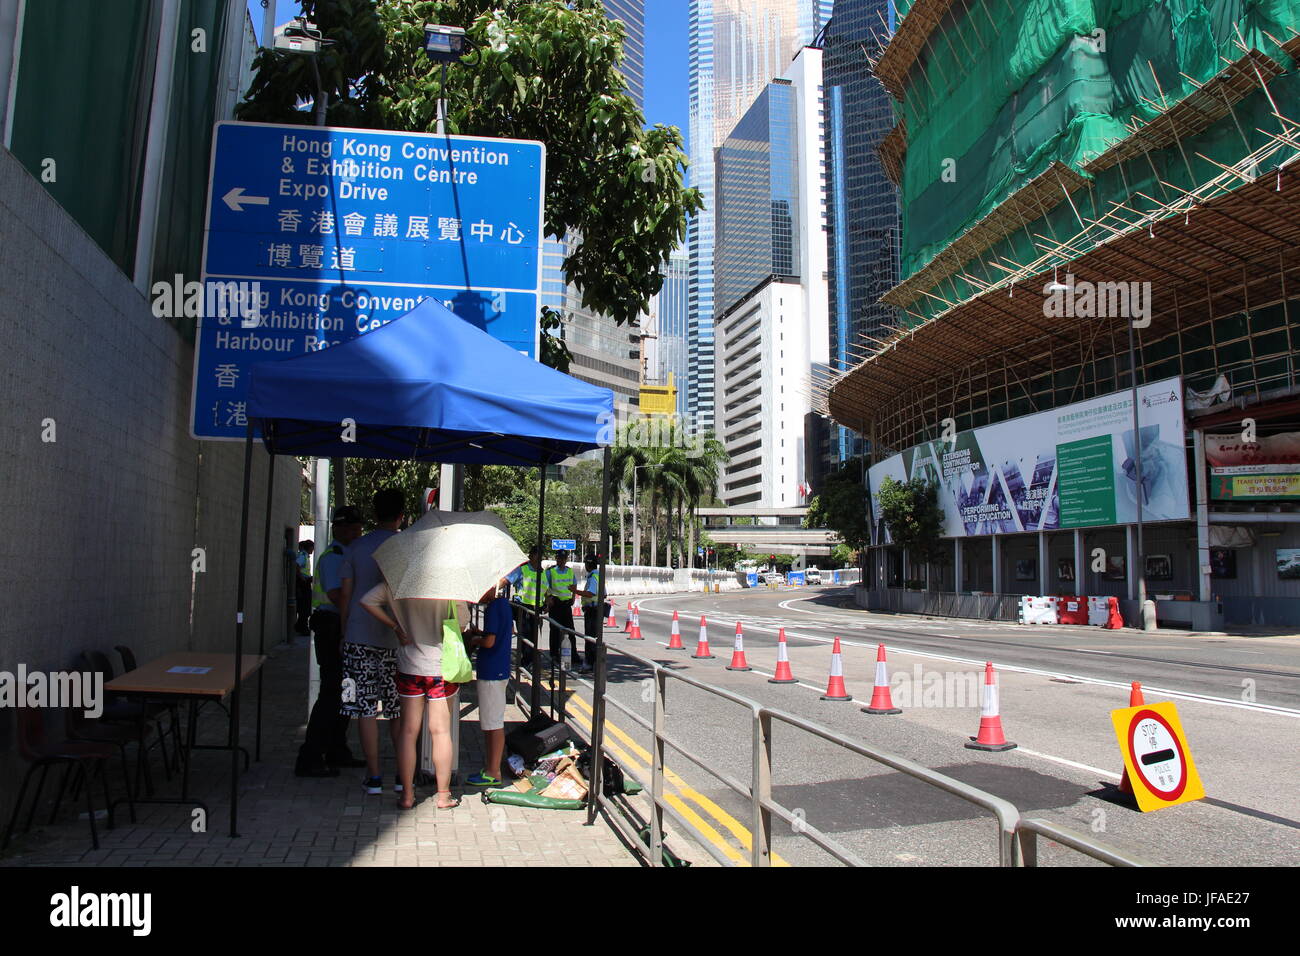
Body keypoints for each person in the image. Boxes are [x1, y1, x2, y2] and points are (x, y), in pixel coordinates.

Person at [360, 578, 475, 810]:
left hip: (409, 666)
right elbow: (462, 625)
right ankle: (443, 796)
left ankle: (407, 795)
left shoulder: (396, 583)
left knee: (408, 731)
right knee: (440, 732)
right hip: (442, 668)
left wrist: (395, 626)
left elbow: (366, 601)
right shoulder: (450, 586)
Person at [339, 488, 405, 794]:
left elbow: (346, 596)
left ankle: (374, 776)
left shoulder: (355, 547)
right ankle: (402, 776)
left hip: (358, 637)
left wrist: (344, 631)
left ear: (374, 514)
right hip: (397, 640)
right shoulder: (406, 547)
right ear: (401, 515)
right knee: (396, 709)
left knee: (365, 708)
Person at [296, 508, 363, 776]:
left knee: (346, 691)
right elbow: (338, 596)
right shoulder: (333, 558)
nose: (358, 533)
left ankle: (338, 750)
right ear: (339, 529)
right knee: (331, 694)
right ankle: (310, 756)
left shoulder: (346, 555)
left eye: (359, 528)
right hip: (331, 628)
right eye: (353, 529)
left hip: (341, 627)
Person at [466, 579, 513, 787]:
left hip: (492, 671)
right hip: (499, 668)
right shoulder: (503, 605)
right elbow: (506, 631)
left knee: (493, 723)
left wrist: (475, 640)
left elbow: (490, 642)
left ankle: (493, 771)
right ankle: (490, 766)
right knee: (491, 722)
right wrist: (481, 634)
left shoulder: (493, 608)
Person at [508, 547, 544, 667]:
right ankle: (526, 660)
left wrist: (547, 601)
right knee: (525, 635)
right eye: (536, 555)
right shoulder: (522, 570)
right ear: (531, 556)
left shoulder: (542, 572)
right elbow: (508, 580)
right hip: (522, 608)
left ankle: (530, 660)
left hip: (536, 608)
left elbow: (546, 589)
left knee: (533, 636)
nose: (538, 558)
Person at [545, 549, 578, 670]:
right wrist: (548, 600)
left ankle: (573, 654)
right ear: (556, 558)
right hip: (556, 604)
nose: (562, 561)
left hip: (566, 604)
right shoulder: (551, 571)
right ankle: (554, 654)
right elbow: (545, 586)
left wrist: (573, 598)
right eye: (559, 558)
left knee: (570, 631)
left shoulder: (569, 571)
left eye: (564, 559)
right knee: (554, 630)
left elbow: (574, 585)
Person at [575, 554, 604, 675]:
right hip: (597, 610)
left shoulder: (593, 577)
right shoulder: (599, 575)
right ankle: (594, 664)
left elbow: (590, 593)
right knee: (594, 637)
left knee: (590, 638)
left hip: (592, 611)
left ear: (587, 564)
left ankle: (589, 664)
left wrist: (575, 591)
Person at [294, 540, 314, 636]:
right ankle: (302, 627)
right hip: (302, 584)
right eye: (312, 547)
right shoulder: (303, 555)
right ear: (309, 547)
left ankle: (300, 625)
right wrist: (302, 578)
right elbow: (296, 566)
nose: (313, 550)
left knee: (305, 606)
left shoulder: (305, 556)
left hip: (305, 582)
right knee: (304, 606)